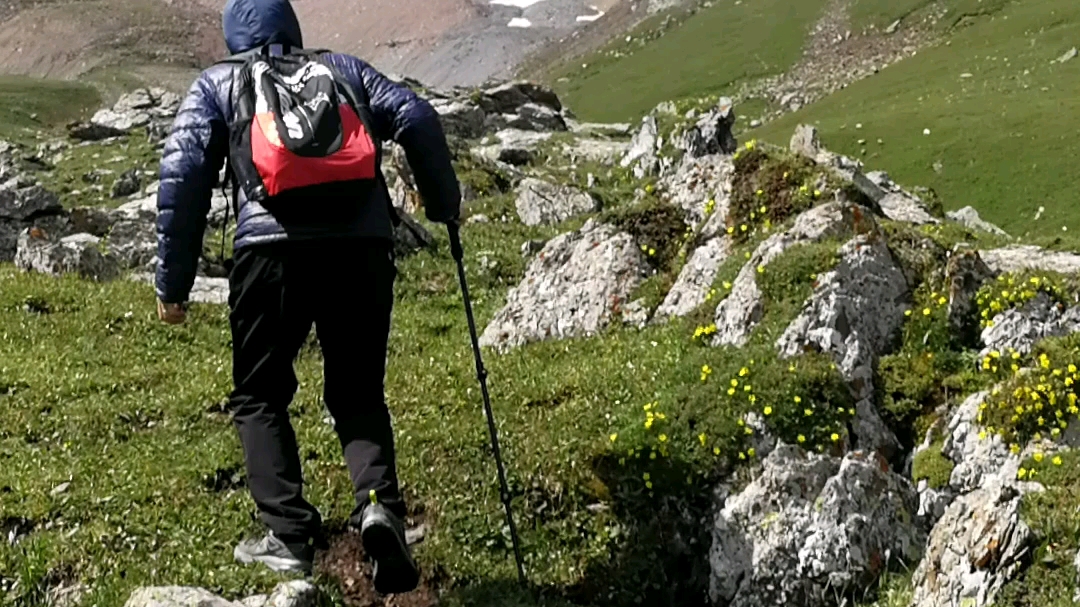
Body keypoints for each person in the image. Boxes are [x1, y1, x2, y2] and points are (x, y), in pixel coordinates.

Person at [153, 0, 461, 594]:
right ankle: (379, 507)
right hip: (363, 248)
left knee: (260, 394)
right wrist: (444, 205)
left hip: (272, 252)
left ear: (233, 34)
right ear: (291, 27)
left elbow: (183, 173)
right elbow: (416, 115)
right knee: (357, 388)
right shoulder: (344, 68)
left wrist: (174, 285)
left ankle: (288, 536)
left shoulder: (220, 82)